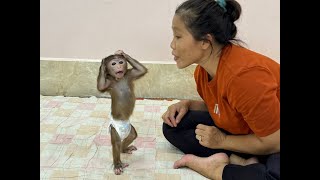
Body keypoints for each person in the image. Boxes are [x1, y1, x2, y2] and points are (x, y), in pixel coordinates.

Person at [161, 0, 280, 179]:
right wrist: (188, 104)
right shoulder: (203, 72)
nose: (172, 44)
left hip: (275, 137)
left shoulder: (243, 77)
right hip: (251, 129)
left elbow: (275, 141)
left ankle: (217, 169)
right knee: (174, 124)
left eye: (178, 37)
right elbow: (222, 105)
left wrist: (223, 141)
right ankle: (237, 160)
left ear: (205, 41)